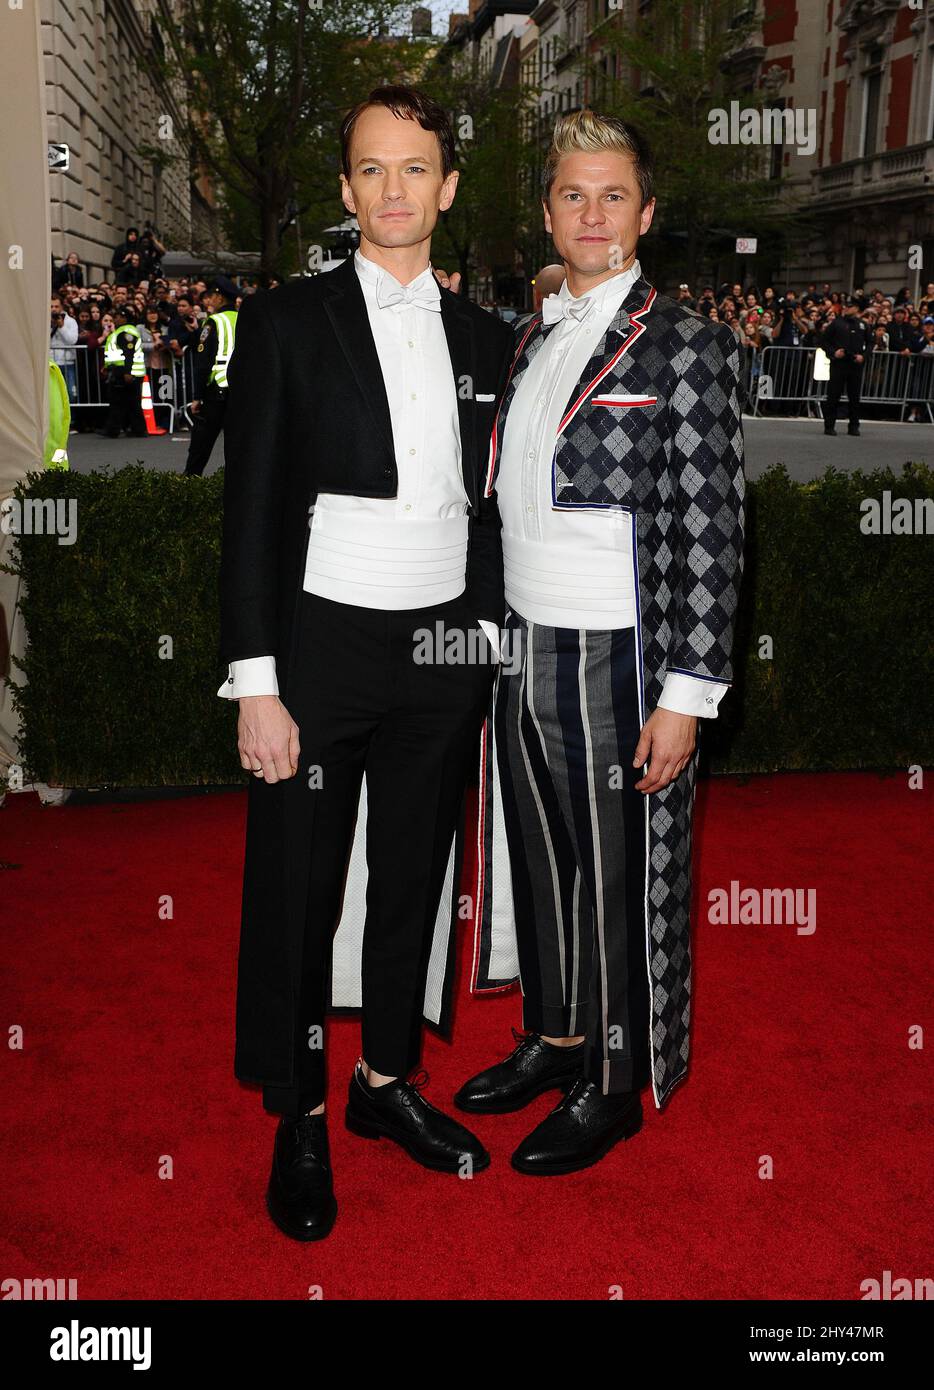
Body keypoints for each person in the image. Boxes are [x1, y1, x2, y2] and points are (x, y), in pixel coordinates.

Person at [217, 84, 515, 1241]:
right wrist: (257, 680)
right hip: (318, 646)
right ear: (347, 193)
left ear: (447, 187)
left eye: (416, 170)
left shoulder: (491, 338)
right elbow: (248, 515)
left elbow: (490, 513)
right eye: (372, 171)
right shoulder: (286, 322)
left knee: (410, 884)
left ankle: (386, 1083)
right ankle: (296, 1114)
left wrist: (482, 637)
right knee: (298, 892)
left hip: (439, 648)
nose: (395, 190)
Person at [457, 110, 745, 1175]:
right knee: (543, 861)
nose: (592, 213)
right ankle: (560, 1030)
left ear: (646, 212)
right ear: (547, 210)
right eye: (572, 194)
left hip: (622, 654)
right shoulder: (530, 336)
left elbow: (714, 528)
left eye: (612, 194)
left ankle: (615, 1081)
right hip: (523, 641)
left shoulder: (688, 345)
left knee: (620, 874)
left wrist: (689, 692)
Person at [183, 274, 240, 476]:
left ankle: (189, 483)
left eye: (211, 296)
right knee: (239, 446)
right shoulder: (244, 319)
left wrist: (196, 396)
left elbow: (203, 364)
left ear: (220, 297)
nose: (209, 300)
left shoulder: (214, 322)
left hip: (216, 393)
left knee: (201, 443)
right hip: (241, 393)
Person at [821, 297, 872, 436]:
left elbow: (870, 343)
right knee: (833, 395)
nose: (847, 308)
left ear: (856, 309)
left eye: (850, 306)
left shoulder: (862, 325)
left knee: (854, 397)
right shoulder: (836, 323)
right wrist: (833, 352)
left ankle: (854, 426)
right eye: (846, 306)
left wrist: (864, 356)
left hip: (855, 364)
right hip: (839, 363)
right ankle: (829, 425)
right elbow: (823, 341)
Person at [96, 306, 147, 437]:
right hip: (123, 370)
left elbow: (128, 353)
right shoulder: (121, 331)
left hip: (125, 371)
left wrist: (127, 372)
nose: (115, 319)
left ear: (124, 318)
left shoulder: (126, 332)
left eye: (118, 316)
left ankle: (113, 430)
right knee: (130, 402)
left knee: (118, 401)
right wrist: (107, 367)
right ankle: (137, 429)